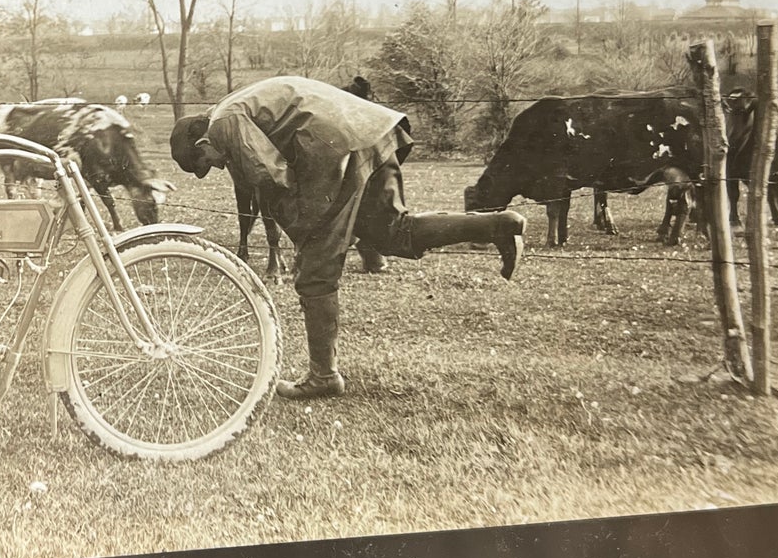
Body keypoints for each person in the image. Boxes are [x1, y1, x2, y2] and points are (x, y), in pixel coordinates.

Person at [170, 75, 527, 402]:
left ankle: (324, 376)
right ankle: (497, 225)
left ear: (202, 141)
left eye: (207, 161)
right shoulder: (233, 106)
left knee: (315, 272)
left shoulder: (223, 124)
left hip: (337, 150)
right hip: (369, 133)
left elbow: (271, 177)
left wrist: (305, 238)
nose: (215, 167)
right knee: (394, 233)